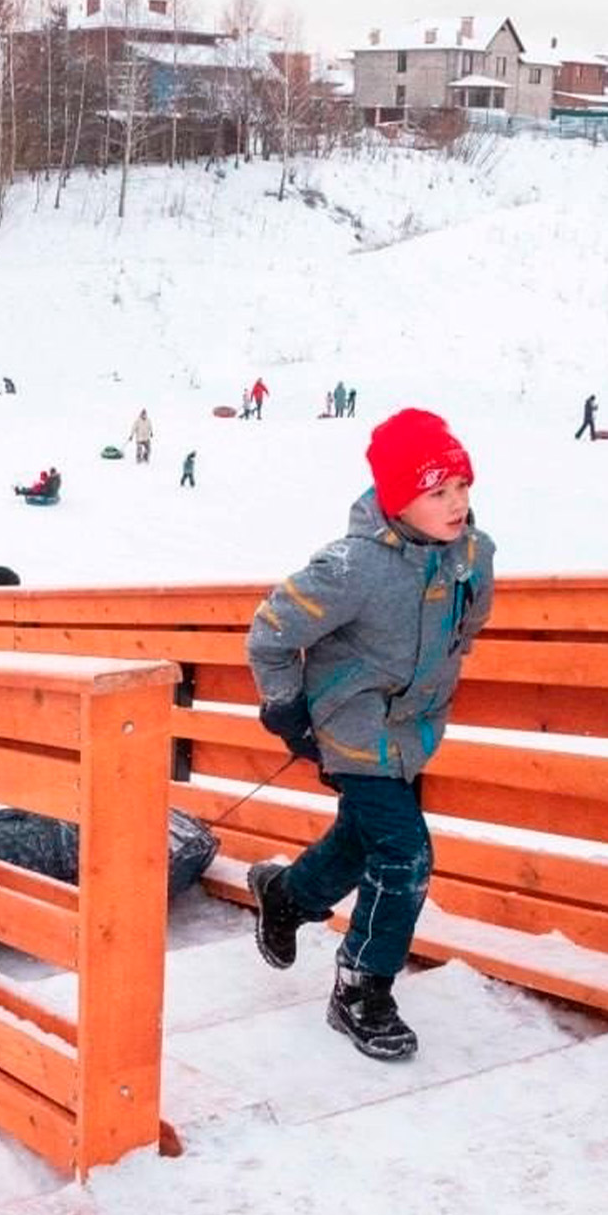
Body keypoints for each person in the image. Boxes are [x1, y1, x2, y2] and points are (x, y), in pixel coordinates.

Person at [243, 409, 494, 1062]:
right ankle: (361, 988)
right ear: (397, 500)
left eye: (462, 486)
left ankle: (286, 896)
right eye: (437, 491)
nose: (456, 503)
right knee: (404, 854)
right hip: (352, 730)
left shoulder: (472, 556)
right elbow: (270, 633)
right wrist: (285, 708)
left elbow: (466, 629)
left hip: (411, 731)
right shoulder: (351, 566)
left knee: (363, 839)